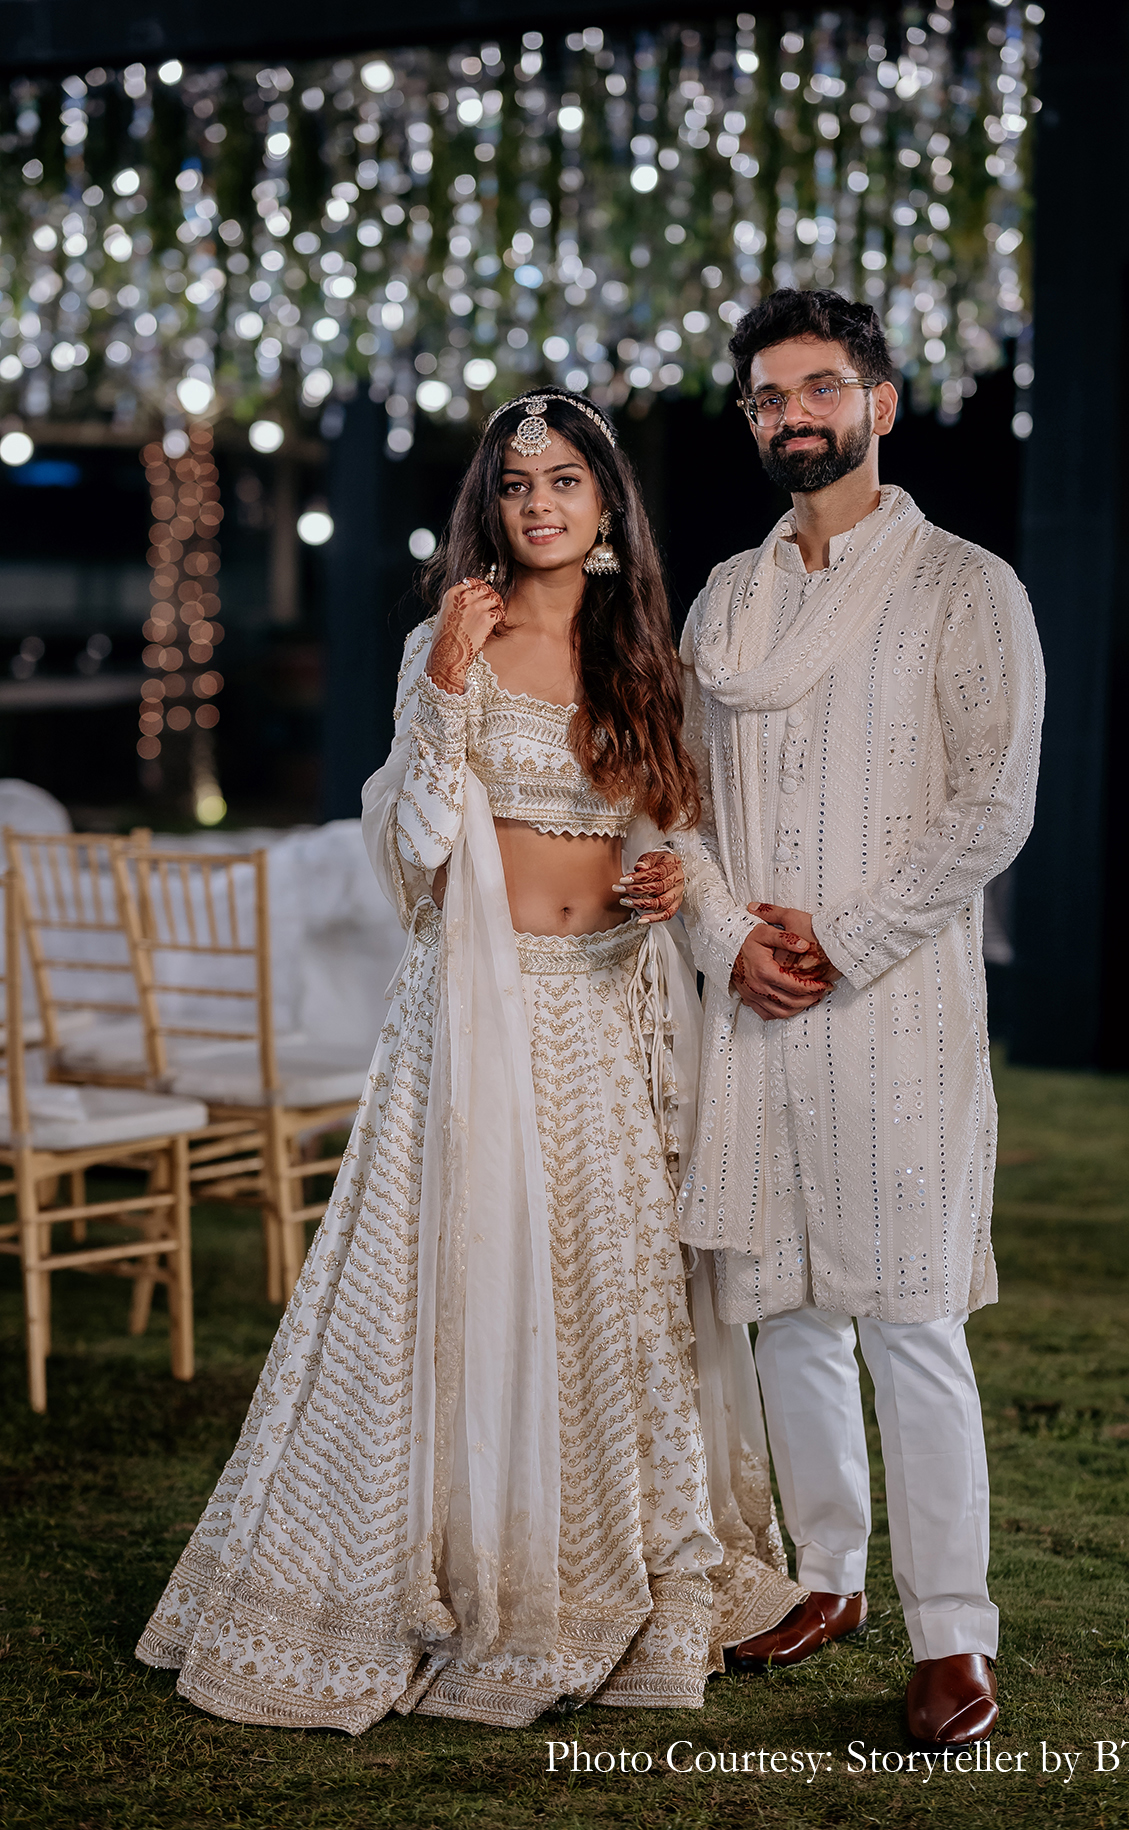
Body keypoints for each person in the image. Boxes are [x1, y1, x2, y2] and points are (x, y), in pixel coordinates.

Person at [136, 389, 802, 1734]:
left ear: (607, 506)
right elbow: (417, 848)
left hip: (606, 1011)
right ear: (489, 509)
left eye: (564, 481)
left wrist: (669, 879)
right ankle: (456, 1567)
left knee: (610, 1288)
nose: (538, 504)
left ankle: (616, 1561)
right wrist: (444, 679)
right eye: (514, 485)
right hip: (475, 1016)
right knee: (467, 1275)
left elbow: (673, 829)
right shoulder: (451, 641)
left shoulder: (643, 660)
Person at [671, 292, 1044, 1748]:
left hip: (891, 1005)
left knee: (909, 1317)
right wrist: (728, 939)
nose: (793, 415)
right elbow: (679, 802)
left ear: (881, 402)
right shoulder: (724, 599)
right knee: (787, 1309)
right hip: (755, 1006)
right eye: (769, 396)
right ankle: (827, 1576)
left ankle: (954, 1634)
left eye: (820, 387)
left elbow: (992, 808)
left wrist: (839, 940)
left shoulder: (966, 587)